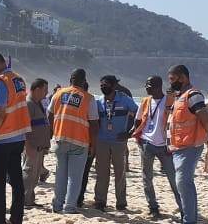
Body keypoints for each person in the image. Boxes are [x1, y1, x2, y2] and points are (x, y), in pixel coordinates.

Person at [0, 51, 32, 224]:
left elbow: (0, 112)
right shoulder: (19, 79)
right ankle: (17, 222)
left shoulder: (1, 82)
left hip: (2, 139)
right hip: (18, 137)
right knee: (17, 182)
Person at [167, 65, 208, 224]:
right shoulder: (179, 97)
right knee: (184, 184)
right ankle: (186, 220)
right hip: (178, 147)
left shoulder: (193, 95)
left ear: (183, 78)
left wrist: (206, 135)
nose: (170, 83)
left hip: (190, 146)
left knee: (183, 183)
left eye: (173, 79)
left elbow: (204, 117)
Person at [131, 76, 182, 221]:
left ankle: (183, 208)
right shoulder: (146, 101)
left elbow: (175, 119)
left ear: (158, 86)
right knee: (147, 177)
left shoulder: (169, 100)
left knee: (173, 178)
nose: (146, 87)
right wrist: (138, 137)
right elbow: (138, 119)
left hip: (164, 146)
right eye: (146, 84)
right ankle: (153, 208)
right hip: (147, 143)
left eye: (149, 85)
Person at [49, 69, 99, 215]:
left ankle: (57, 205)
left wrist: (53, 132)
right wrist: (93, 144)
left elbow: (50, 115)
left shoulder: (58, 94)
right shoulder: (88, 98)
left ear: (70, 79)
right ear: (84, 81)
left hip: (60, 139)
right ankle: (69, 207)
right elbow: (94, 124)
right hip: (79, 141)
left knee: (60, 175)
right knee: (74, 177)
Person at [93, 75, 137, 211]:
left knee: (120, 172)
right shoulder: (98, 101)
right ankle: (100, 201)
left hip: (119, 141)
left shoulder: (125, 99)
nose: (102, 87)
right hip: (102, 141)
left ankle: (121, 202)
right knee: (101, 172)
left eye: (105, 84)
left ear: (113, 86)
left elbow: (140, 115)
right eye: (101, 85)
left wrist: (130, 133)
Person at [22, 78, 51, 208]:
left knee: (34, 175)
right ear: (37, 89)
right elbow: (25, 127)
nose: (47, 93)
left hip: (39, 146)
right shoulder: (28, 104)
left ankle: (30, 199)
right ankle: (24, 200)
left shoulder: (38, 103)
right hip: (32, 146)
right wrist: (28, 146)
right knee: (29, 173)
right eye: (45, 90)